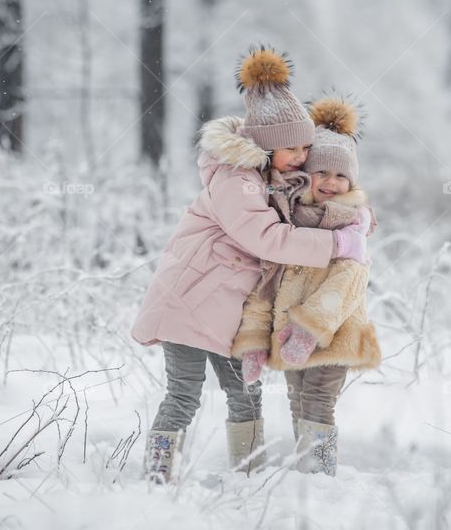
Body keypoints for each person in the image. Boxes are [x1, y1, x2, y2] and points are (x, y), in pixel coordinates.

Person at [131, 48, 370, 482]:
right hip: (188, 303)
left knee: (246, 394)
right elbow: (268, 238)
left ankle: (248, 474)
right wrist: (337, 242)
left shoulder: (268, 179)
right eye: (291, 148)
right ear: (265, 145)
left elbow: (315, 205)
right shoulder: (235, 181)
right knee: (184, 395)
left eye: (305, 147)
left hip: (229, 312)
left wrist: (355, 214)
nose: (301, 156)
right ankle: (156, 474)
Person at [231, 95, 381, 476]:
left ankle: (320, 475)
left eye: (341, 176)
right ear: (306, 175)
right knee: (297, 399)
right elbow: (267, 285)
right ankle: (306, 472)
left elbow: (347, 283)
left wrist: (309, 328)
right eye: (322, 172)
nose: (332, 182)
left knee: (317, 399)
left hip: (334, 334)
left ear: (352, 181)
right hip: (288, 336)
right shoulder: (289, 224)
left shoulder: (352, 226)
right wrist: (253, 340)